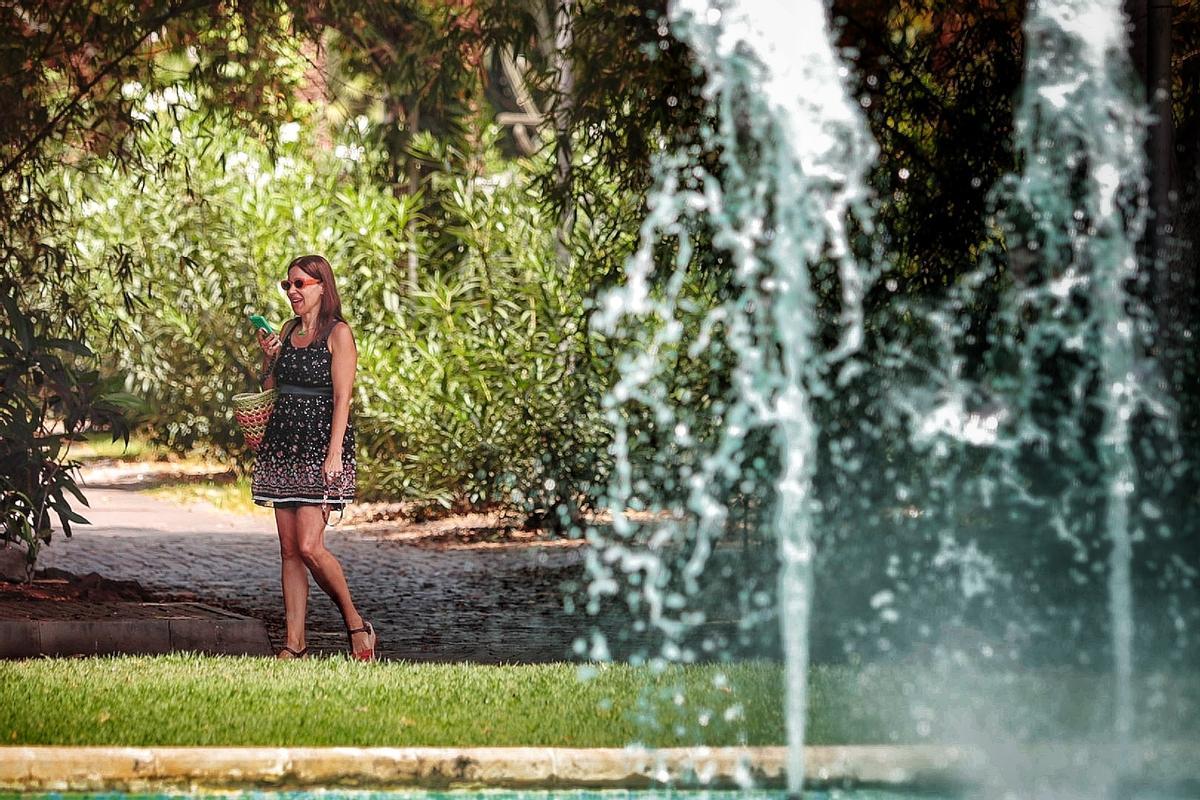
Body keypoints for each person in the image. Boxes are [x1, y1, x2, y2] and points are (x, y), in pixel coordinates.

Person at [251, 254, 376, 661]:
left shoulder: (338, 334)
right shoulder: (287, 332)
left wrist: (335, 451)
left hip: (320, 445)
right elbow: (271, 386)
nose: (292, 291)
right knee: (288, 550)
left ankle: (356, 624)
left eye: (300, 284)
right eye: (288, 285)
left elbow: (343, 398)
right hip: (282, 443)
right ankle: (294, 643)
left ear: (322, 286)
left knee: (310, 545)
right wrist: (269, 358)